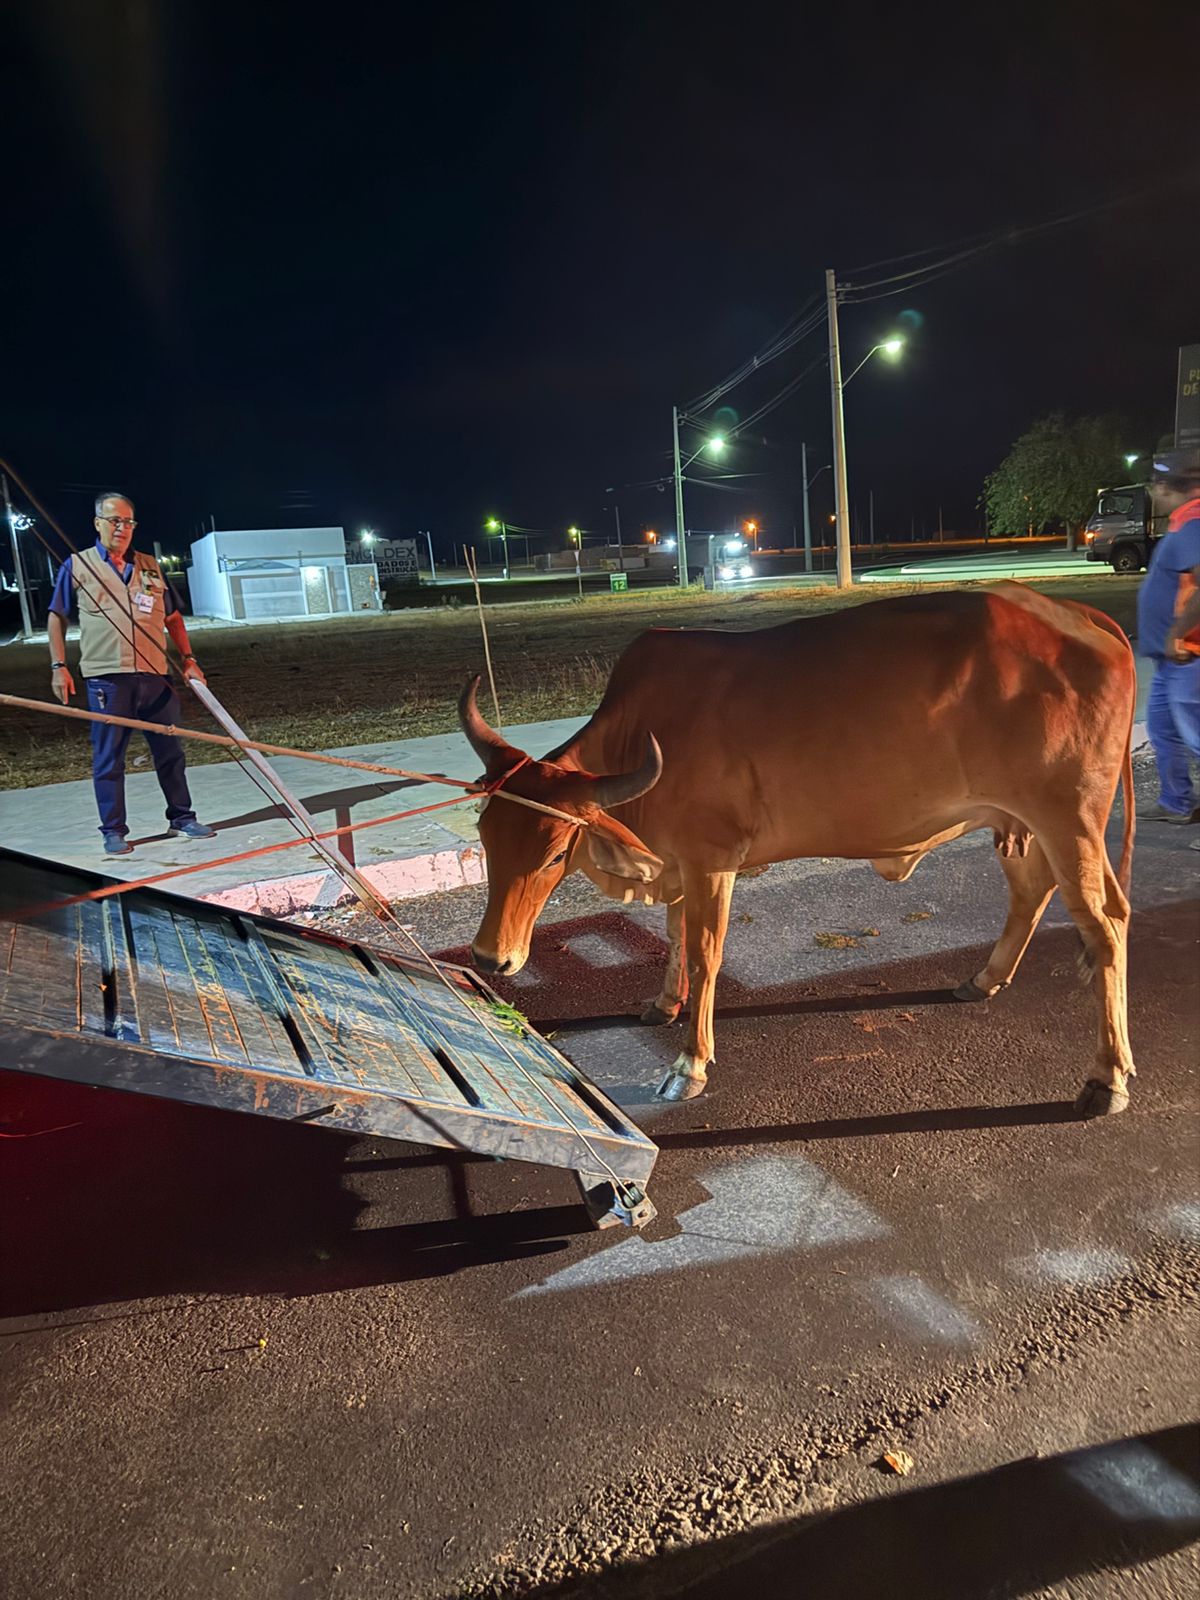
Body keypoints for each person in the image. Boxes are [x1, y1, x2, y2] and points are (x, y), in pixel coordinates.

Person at [47, 490, 217, 856]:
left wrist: (189, 658)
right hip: (108, 679)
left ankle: (182, 817)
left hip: (156, 677)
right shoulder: (78, 565)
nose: (122, 528)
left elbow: (172, 617)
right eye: (115, 520)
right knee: (109, 759)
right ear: (98, 523)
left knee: (171, 751)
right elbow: (56, 617)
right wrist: (59, 666)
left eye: (129, 522)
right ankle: (113, 829)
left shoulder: (149, 565)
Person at [1135, 447, 1200, 831]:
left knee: (1195, 736)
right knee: (1162, 730)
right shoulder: (1182, 520)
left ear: (1163, 485)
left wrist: (1177, 633)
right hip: (1168, 658)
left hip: (1187, 655)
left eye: (1154, 483)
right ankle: (1177, 803)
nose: (1152, 490)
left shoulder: (1193, 521)